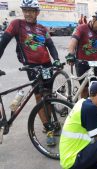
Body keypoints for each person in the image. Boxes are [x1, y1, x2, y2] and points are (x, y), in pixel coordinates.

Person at [0, 0, 61, 146]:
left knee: (48, 96)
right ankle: (49, 129)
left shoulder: (42, 28)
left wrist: (57, 59)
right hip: (32, 66)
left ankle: (54, 122)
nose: (27, 13)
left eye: (31, 10)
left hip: (46, 65)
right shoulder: (17, 24)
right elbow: (3, 43)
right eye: (25, 10)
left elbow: (51, 46)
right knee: (39, 95)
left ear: (37, 13)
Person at [66, 11, 97, 99]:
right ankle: (82, 108)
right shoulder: (81, 28)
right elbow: (73, 41)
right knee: (85, 89)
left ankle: (93, 108)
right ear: (94, 19)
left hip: (95, 64)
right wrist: (70, 54)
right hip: (82, 63)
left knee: (95, 90)